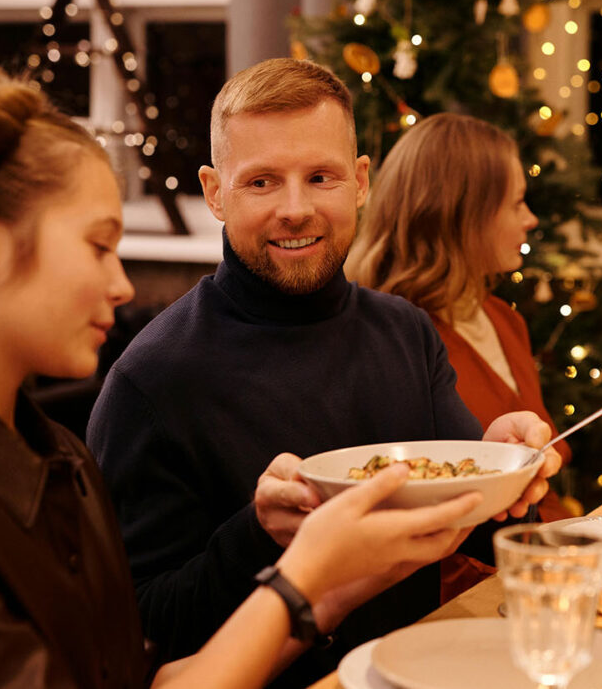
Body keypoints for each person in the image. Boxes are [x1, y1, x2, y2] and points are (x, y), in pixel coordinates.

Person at [0, 62, 485, 688]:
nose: (122, 287)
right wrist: (295, 575)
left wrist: (329, 584)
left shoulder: (50, 453)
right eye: (99, 246)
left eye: (320, 177)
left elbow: (143, 677)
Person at [86, 58, 559, 684]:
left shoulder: (406, 332)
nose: (295, 208)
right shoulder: (151, 382)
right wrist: (258, 536)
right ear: (214, 192)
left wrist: (506, 475)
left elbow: (468, 535)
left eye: (320, 177)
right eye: (261, 182)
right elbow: (140, 632)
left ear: (361, 182)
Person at [345, 113, 573, 597]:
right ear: (461, 216)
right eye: (516, 204)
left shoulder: (503, 319)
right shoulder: (389, 342)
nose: (531, 219)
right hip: (472, 595)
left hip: (544, 561)